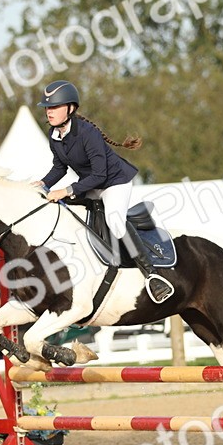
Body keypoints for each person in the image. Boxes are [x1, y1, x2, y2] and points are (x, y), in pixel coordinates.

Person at [31, 79, 174, 303]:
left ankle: (152, 275)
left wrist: (66, 190)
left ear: (71, 108)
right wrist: (42, 183)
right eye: (47, 108)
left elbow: (100, 175)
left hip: (114, 183)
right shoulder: (54, 135)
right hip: (91, 185)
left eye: (54, 107)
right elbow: (60, 167)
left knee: (115, 220)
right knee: (62, 212)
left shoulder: (88, 134)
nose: (49, 112)